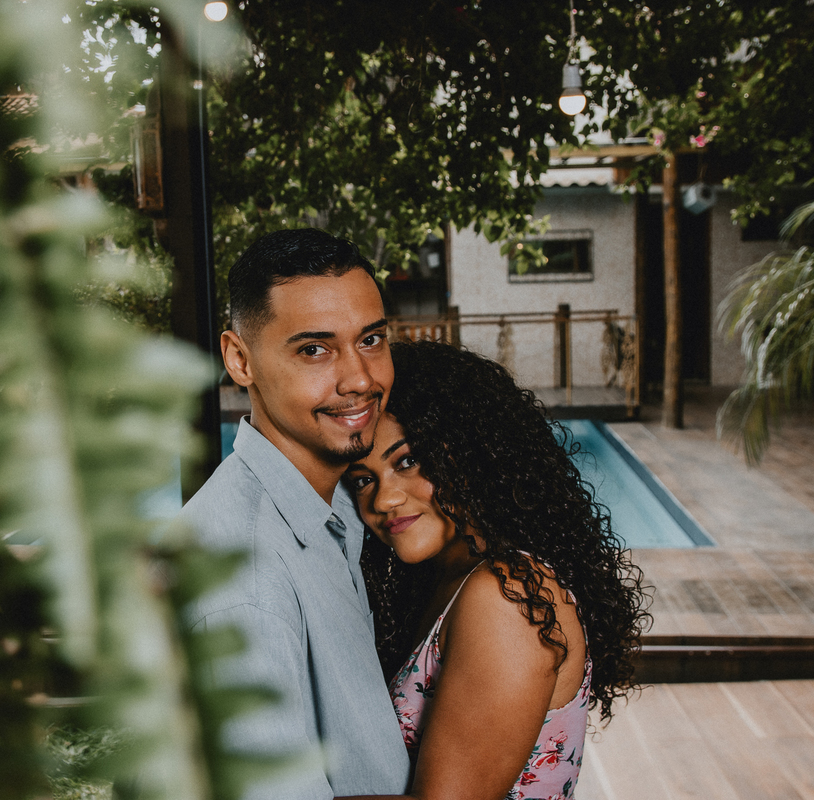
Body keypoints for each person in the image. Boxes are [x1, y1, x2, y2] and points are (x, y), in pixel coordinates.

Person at [341, 340, 649, 800]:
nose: (384, 500)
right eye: (363, 479)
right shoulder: (443, 579)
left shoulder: (509, 599)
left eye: (408, 461)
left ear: (470, 452)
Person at [179, 228, 411, 800]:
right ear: (240, 360)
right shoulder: (243, 582)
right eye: (314, 350)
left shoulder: (339, 508)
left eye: (371, 340)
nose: (360, 379)